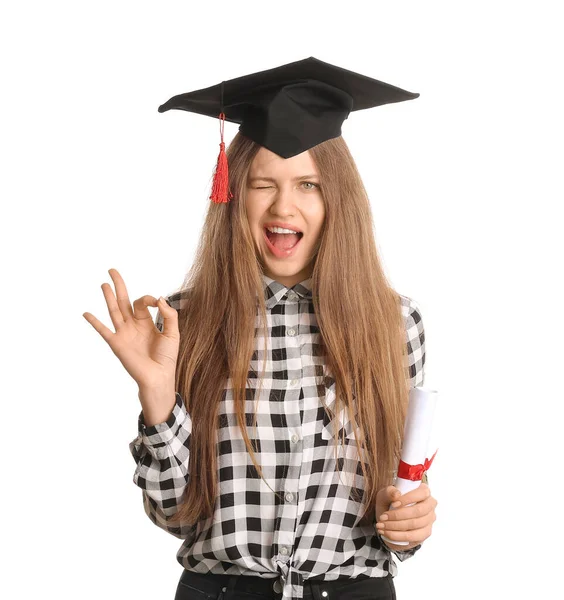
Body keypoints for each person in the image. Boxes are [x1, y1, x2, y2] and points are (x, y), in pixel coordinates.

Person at [83, 57, 438, 600]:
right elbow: (175, 517)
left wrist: (411, 520)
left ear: (338, 199)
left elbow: (403, 494)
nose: (283, 206)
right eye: (261, 184)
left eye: (309, 185)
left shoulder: (394, 325)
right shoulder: (186, 322)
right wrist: (156, 395)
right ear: (233, 196)